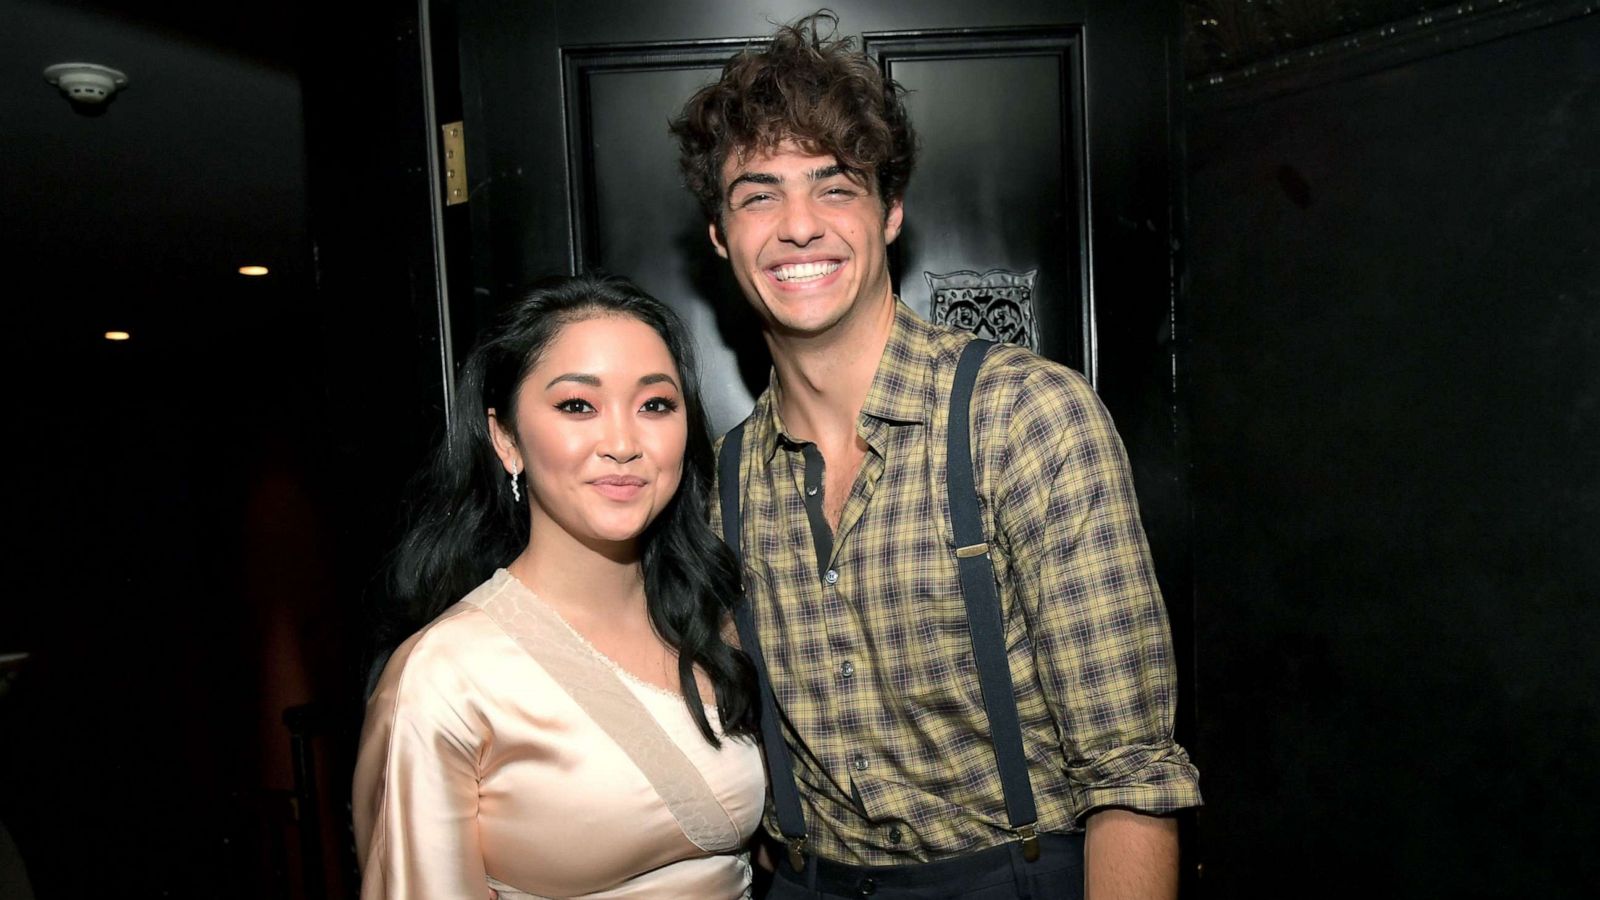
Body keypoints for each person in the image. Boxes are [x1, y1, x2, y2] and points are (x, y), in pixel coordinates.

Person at [671, 12, 1202, 899]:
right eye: (758, 193)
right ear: (722, 236)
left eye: (834, 187)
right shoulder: (725, 480)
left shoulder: (1027, 419)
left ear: (889, 214)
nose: (798, 226)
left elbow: (1132, 779)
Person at [353, 274, 765, 899]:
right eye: (578, 406)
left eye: (655, 405)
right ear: (506, 438)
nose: (624, 444)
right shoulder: (446, 675)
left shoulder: (711, 620)